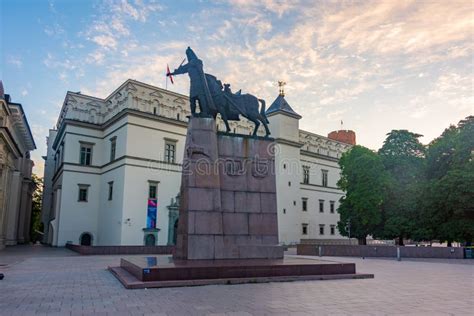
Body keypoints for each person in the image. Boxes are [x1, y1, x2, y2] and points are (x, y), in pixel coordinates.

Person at [167, 47, 216, 117]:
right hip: (193, 83)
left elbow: (195, 66)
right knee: (192, 99)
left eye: (189, 53)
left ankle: (204, 112)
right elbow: (181, 71)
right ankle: (193, 114)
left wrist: (181, 68)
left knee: (201, 98)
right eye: (187, 54)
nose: (188, 55)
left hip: (200, 83)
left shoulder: (198, 61)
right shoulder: (189, 65)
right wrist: (171, 73)